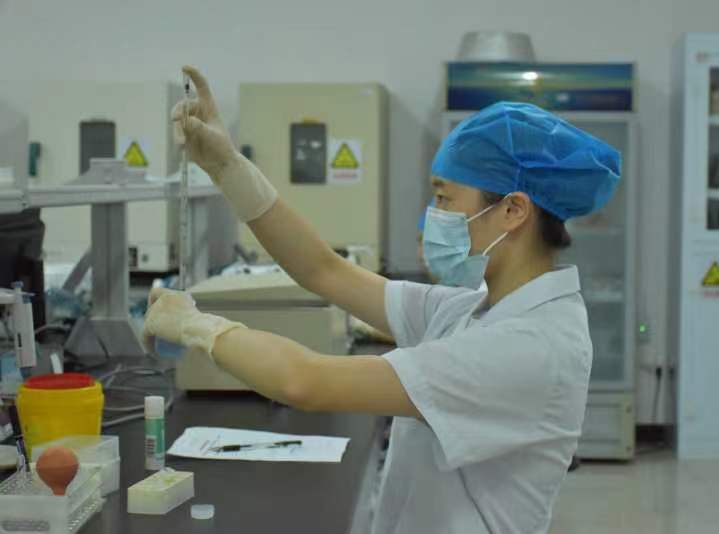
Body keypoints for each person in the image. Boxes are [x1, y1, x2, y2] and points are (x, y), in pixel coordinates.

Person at [144, 66, 620, 534]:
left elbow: (304, 381)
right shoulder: (473, 308)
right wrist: (227, 166)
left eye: (444, 199)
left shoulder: (530, 346)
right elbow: (323, 270)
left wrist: (196, 326)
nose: (431, 218)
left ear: (513, 210)